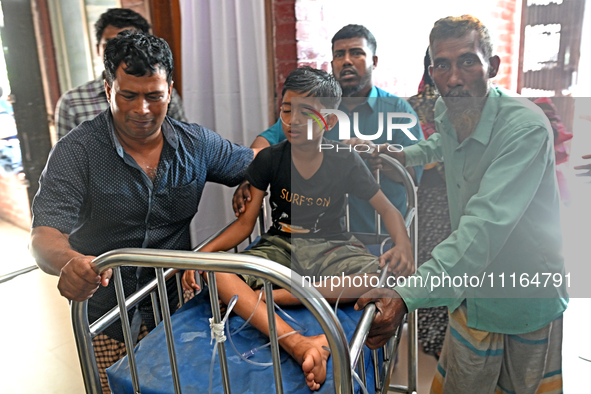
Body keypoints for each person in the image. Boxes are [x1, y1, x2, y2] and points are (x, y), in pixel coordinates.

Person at [30, 31, 255, 394]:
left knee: (180, 385)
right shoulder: (77, 152)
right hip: (107, 310)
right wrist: (70, 262)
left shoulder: (195, 145)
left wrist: (253, 180)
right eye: (128, 95)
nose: (142, 110)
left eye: (154, 96)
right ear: (107, 89)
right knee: (116, 387)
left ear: (170, 90)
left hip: (176, 304)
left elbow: (256, 163)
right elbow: (44, 236)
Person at [356, 15, 568, 393]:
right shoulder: (449, 109)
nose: (454, 78)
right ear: (431, 71)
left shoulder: (525, 129)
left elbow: (483, 227)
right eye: (442, 64)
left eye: (468, 61)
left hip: (521, 290)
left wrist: (405, 296)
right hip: (471, 284)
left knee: (520, 386)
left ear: (493, 67)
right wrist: (403, 156)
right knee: (464, 380)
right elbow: (442, 144)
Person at [182, 66, 414, 390]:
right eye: (286, 110)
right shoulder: (269, 160)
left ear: (329, 122)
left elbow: (388, 209)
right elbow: (245, 225)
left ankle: (273, 295)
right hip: (280, 244)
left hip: (331, 244)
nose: (292, 121)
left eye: (306, 113)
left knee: (380, 278)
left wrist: (402, 244)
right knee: (218, 272)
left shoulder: (344, 159)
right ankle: (297, 340)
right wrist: (201, 257)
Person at [235, 24, 424, 233]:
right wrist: (248, 175)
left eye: (356, 53)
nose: (347, 61)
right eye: (339, 55)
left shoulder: (398, 110)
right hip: (317, 237)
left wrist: (380, 157)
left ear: (374, 61)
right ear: (332, 63)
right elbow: (266, 143)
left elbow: (413, 176)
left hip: (378, 236)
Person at [54, 8, 187, 140]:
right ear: (98, 49)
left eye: (130, 45)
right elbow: (66, 157)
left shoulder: (164, 95)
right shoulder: (72, 103)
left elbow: (183, 145)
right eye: (110, 43)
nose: (120, 52)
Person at [407, 49, 449, 359]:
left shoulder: (411, 105)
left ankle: (433, 338)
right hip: (441, 198)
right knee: (443, 265)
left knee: (431, 264)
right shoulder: (460, 106)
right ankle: (441, 339)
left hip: (432, 197)